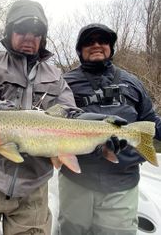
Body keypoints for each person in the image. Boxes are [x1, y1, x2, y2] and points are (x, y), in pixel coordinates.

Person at [0, 0, 78, 235]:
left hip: (33, 189)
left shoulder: (56, 75)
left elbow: (69, 114)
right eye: (21, 30)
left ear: (43, 37)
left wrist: (98, 129)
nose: (29, 37)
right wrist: (15, 119)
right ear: (9, 32)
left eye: (36, 31)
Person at [58, 23, 161, 235]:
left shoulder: (133, 83)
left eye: (102, 40)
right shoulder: (64, 83)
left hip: (122, 182)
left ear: (111, 47)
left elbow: (151, 122)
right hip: (76, 181)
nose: (96, 45)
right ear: (79, 49)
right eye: (88, 41)